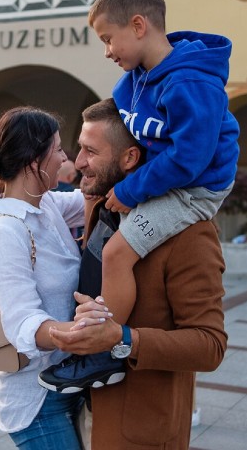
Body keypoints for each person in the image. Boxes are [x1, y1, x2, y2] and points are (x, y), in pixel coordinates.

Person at [43, 0, 238, 390]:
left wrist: (131, 189)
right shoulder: (132, 81)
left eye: (108, 39)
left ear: (137, 26)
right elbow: (121, 132)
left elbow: (190, 158)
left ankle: (100, 352)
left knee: (116, 254)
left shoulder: (191, 81)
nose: (107, 51)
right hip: (167, 180)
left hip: (195, 190)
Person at [47, 99, 227, 448]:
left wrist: (123, 339)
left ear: (130, 158)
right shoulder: (100, 209)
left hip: (139, 430)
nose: (78, 162)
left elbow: (210, 344)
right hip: (81, 414)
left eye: (90, 151)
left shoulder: (190, 233)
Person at [0, 107, 87, 449]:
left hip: (66, 378)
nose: (66, 158)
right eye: (58, 149)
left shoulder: (46, 204)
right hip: (35, 396)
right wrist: (90, 334)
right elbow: (23, 324)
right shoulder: (6, 230)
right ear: (33, 160)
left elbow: (92, 198)